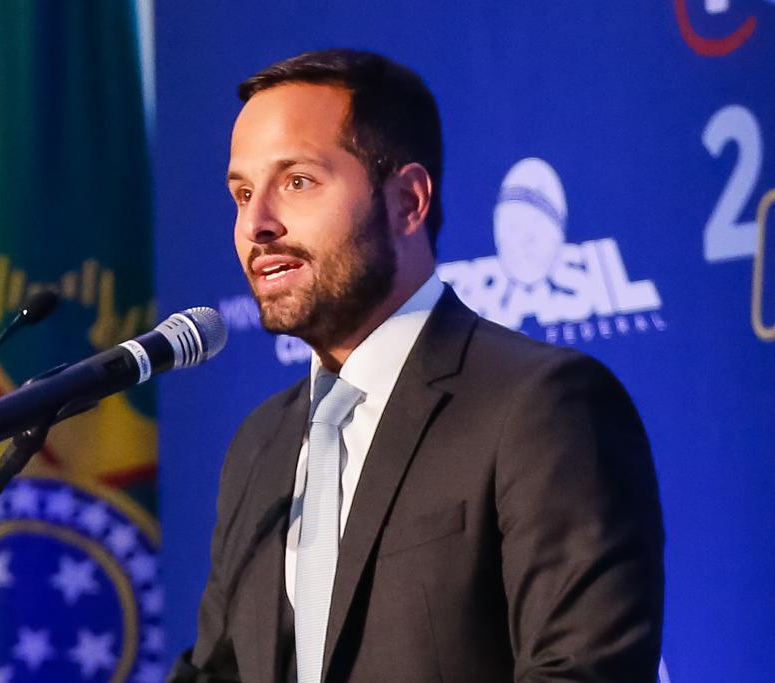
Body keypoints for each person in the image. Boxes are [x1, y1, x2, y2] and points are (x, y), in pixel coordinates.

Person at [173, 49, 664, 683]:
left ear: (407, 200)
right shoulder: (259, 444)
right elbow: (219, 672)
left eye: (297, 181)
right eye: (242, 193)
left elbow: (584, 671)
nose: (256, 224)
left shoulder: (541, 406)